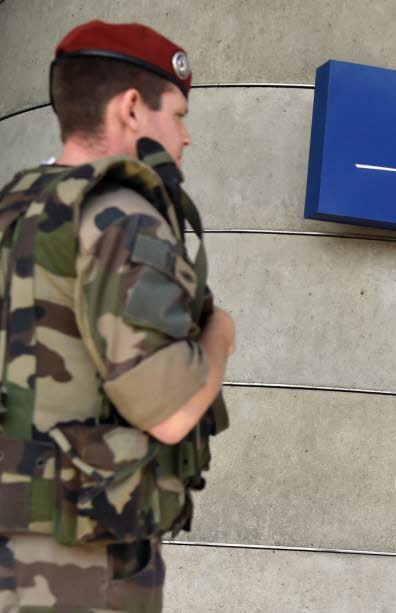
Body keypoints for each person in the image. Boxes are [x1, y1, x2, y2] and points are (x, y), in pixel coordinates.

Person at [0, 20, 235, 611]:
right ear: (131, 109)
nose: (186, 138)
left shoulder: (14, 209)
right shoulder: (121, 215)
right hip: (78, 560)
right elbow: (172, 414)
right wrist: (221, 338)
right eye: (178, 115)